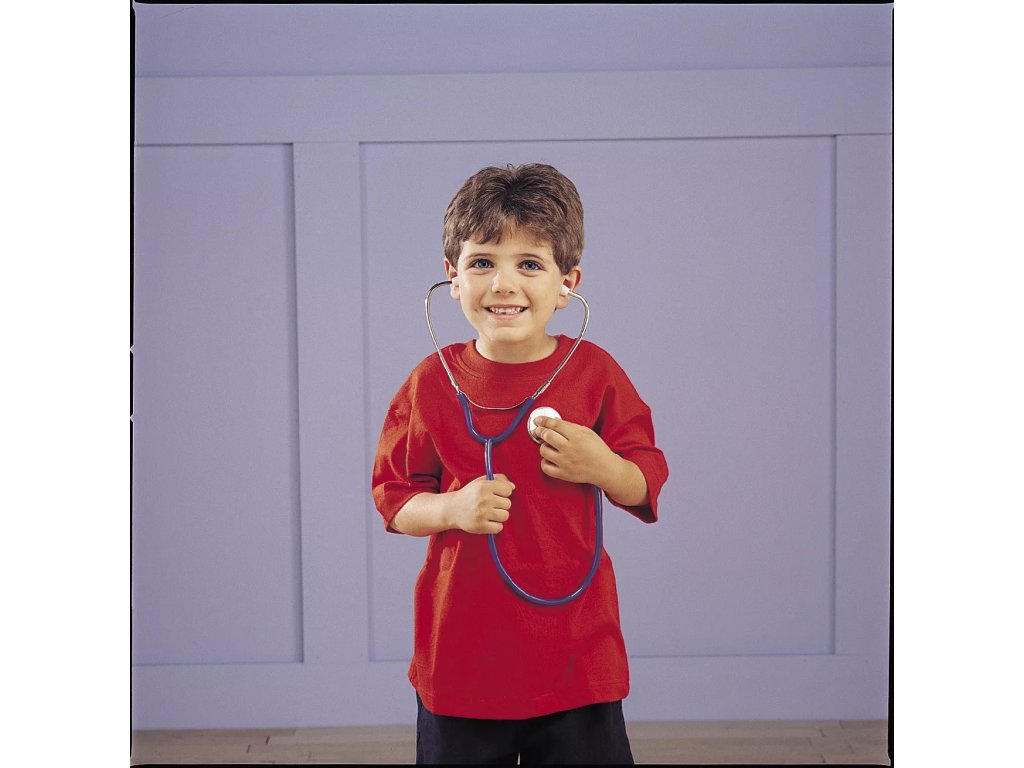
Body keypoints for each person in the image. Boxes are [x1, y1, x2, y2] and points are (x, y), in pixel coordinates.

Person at [371, 163, 669, 764]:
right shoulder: (431, 383)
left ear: (567, 283)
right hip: (462, 660)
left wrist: (602, 465)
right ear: (453, 278)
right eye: (483, 262)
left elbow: (644, 480)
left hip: (577, 656)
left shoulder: (595, 372)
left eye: (529, 264)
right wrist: (453, 508)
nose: (503, 284)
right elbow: (394, 498)